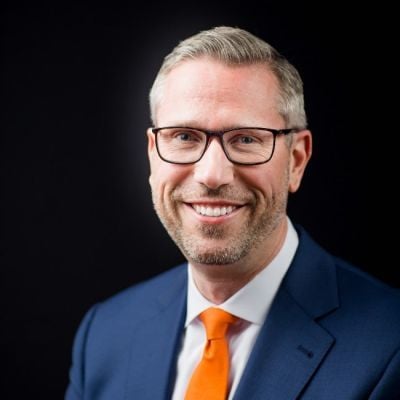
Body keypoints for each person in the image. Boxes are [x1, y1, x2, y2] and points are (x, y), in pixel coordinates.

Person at [65, 26, 400, 399]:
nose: (211, 175)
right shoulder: (105, 333)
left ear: (297, 160)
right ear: (152, 153)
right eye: (184, 136)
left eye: (245, 139)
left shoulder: (390, 348)